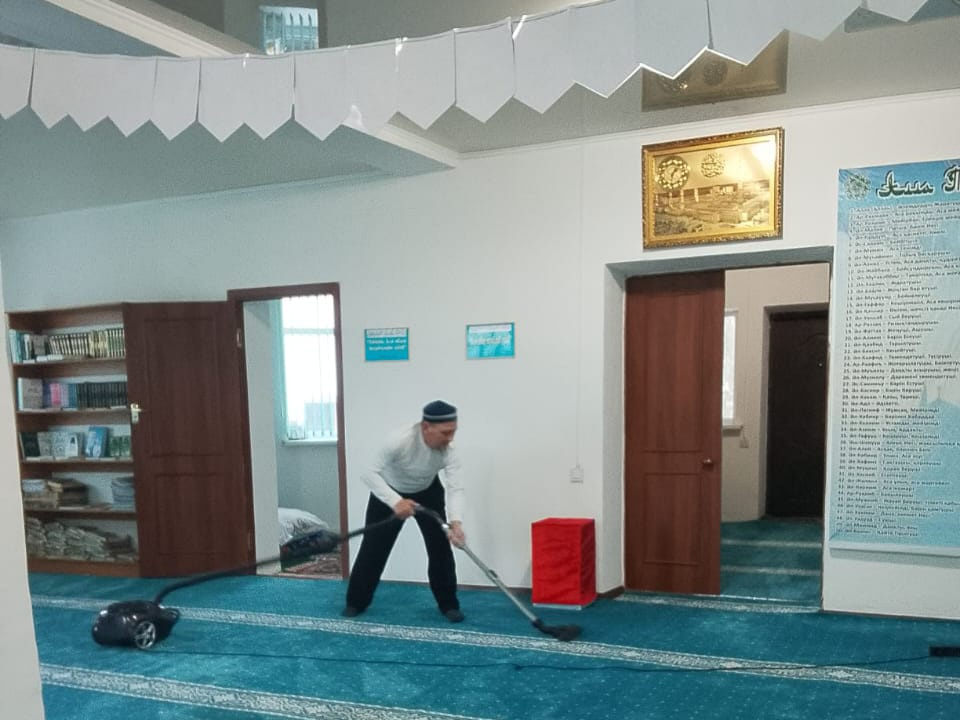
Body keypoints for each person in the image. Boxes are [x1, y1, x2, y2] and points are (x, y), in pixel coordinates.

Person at [343, 400, 467, 622]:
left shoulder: (450, 450)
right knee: (374, 548)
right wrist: (396, 501)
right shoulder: (399, 440)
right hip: (389, 491)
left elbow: (455, 487)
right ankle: (356, 602)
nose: (450, 438)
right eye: (445, 433)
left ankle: (448, 604)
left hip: (429, 491)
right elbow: (368, 472)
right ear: (426, 427)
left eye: (453, 431)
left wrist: (456, 523)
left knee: (440, 547)